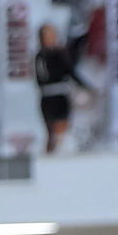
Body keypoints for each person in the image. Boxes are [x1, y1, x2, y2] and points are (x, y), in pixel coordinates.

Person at [34, 21, 92, 152]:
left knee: (55, 134)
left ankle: (53, 155)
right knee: (56, 133)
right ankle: (53, 157)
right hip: (54, 98)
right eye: (49, 34)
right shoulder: (52, 54)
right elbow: (69, 72)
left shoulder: (42, 55)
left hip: (50, 98)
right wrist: (85, 87)